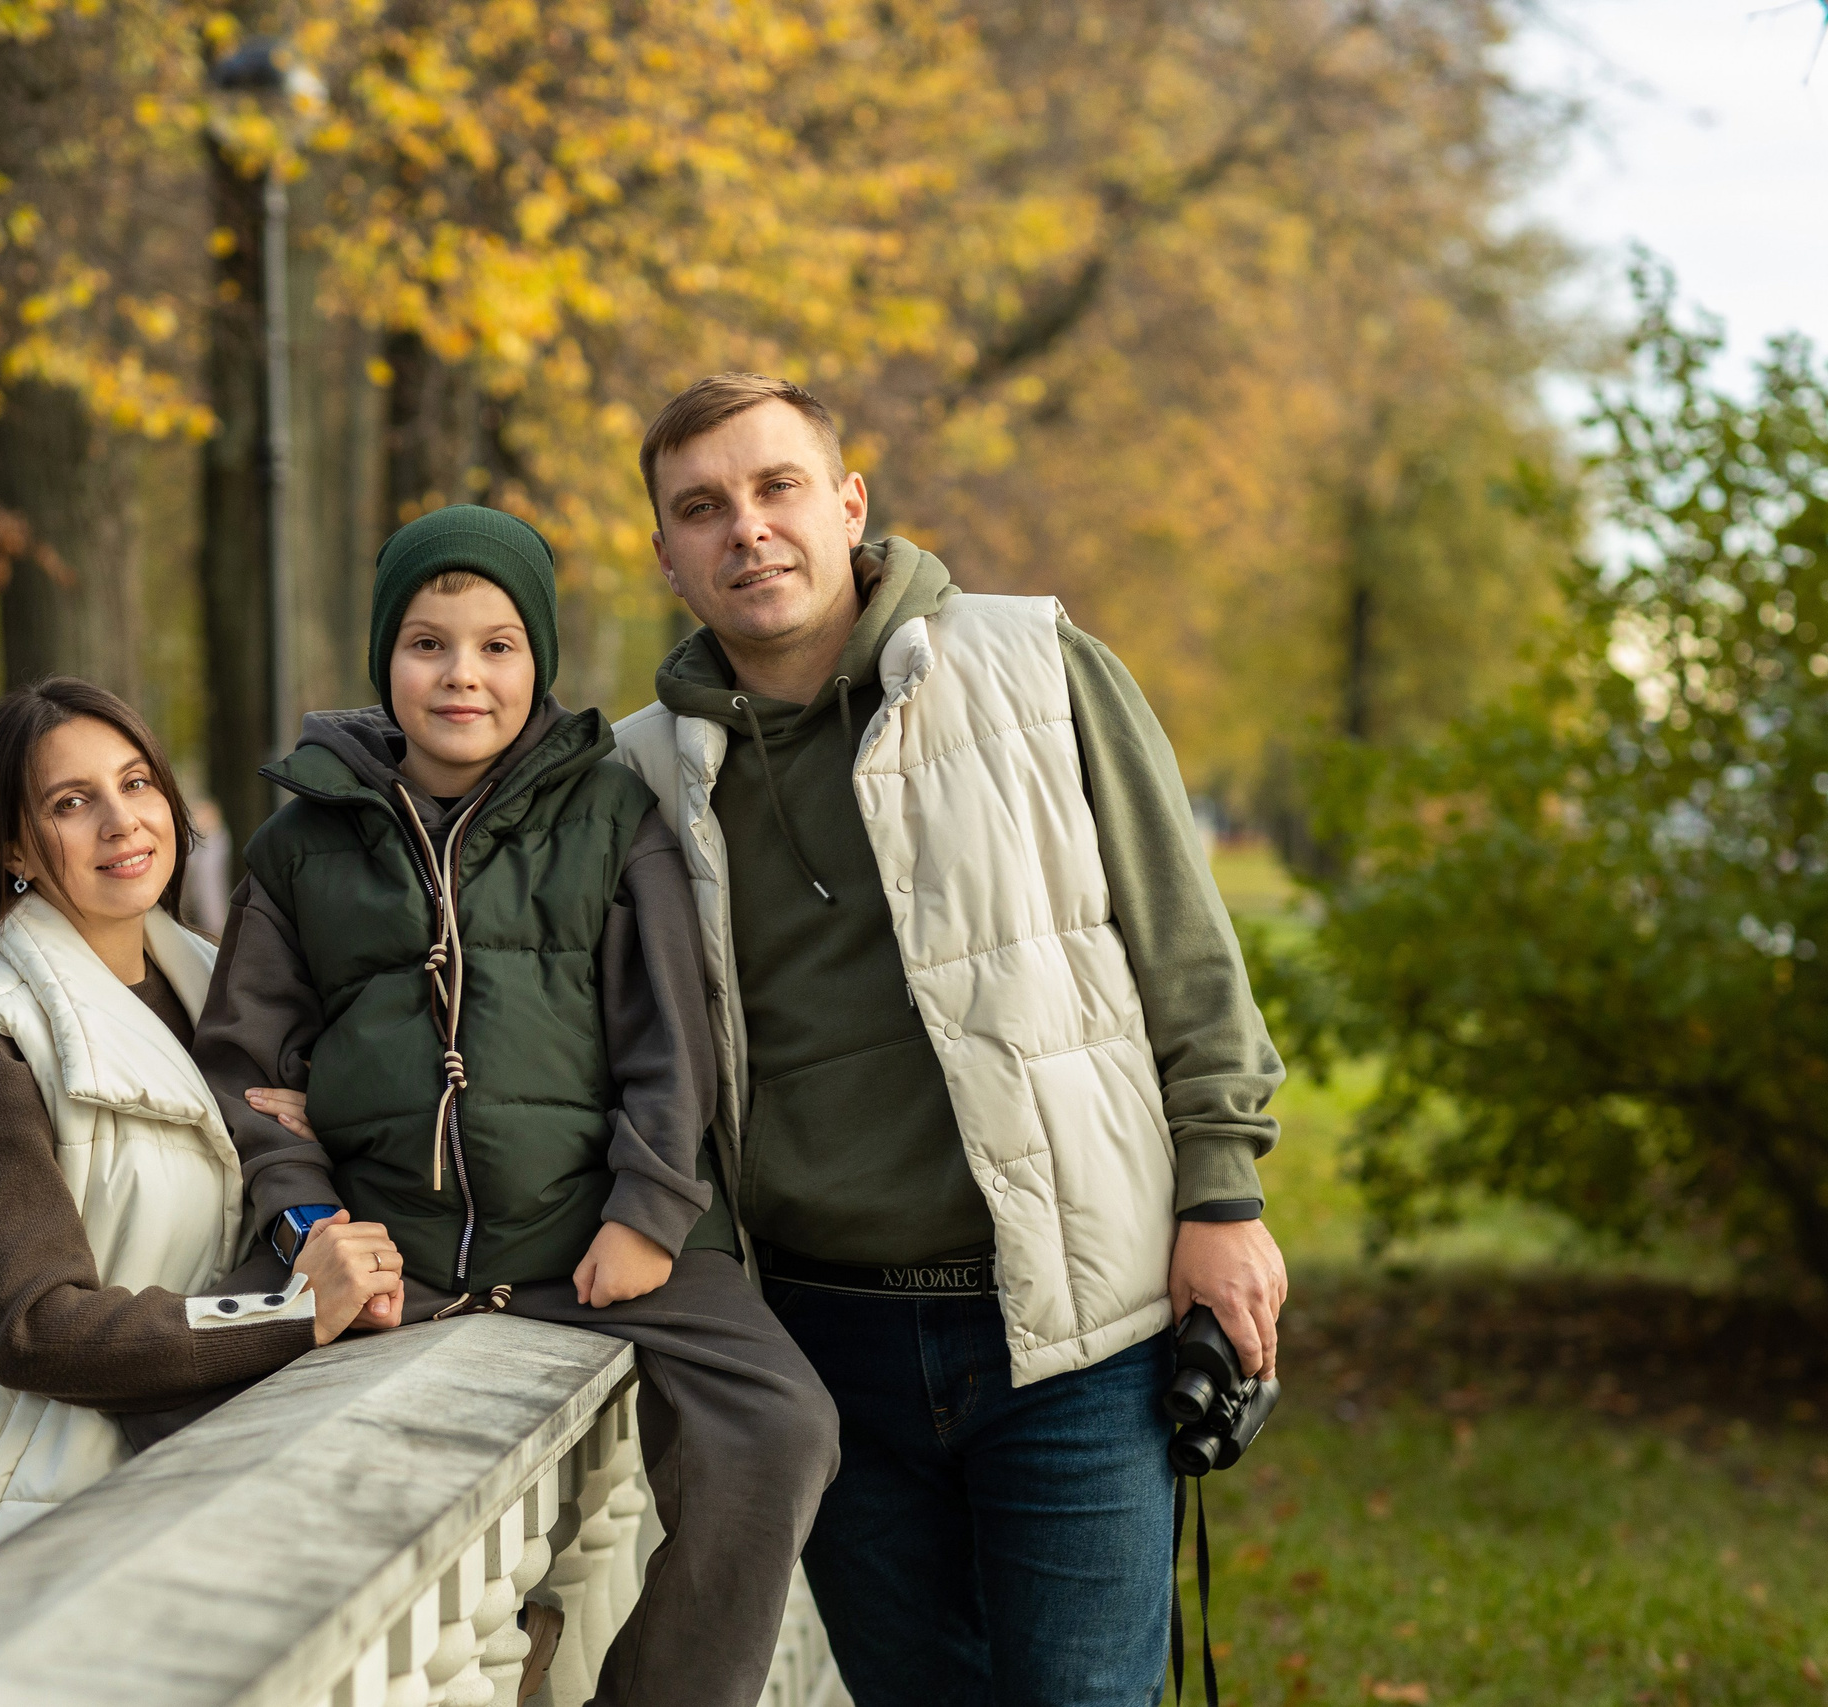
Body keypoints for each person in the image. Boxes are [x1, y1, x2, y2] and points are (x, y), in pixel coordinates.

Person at [612, 374, 1291, 1707]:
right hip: (823, 1343)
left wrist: (1224, 1188)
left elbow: (1187, 949)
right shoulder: (634, 772)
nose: (745, 528)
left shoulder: (1038, 661)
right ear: (668, 556)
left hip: (1071, 1322)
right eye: (702, 508)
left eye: (775, 487)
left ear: (847, 501)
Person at [197, 505, 841, 1707]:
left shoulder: (607, 813)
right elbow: (246, 1070)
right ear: (386, 659)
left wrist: (649, 1210)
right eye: (428, 644)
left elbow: (671, 1035)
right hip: (403, 1254)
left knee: (781, 1429)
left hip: (599, 1236)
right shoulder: (299, 845)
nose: (462, 676)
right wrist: (310, 1228)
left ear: (536, 660)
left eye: (497, 645)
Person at [0, 678, 404, 1628]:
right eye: (71, 802)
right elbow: (35, 1325)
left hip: (149, 1509)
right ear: (12, 847)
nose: (121, 821)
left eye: (137, 782)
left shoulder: (217, 996)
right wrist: (291, 1312)